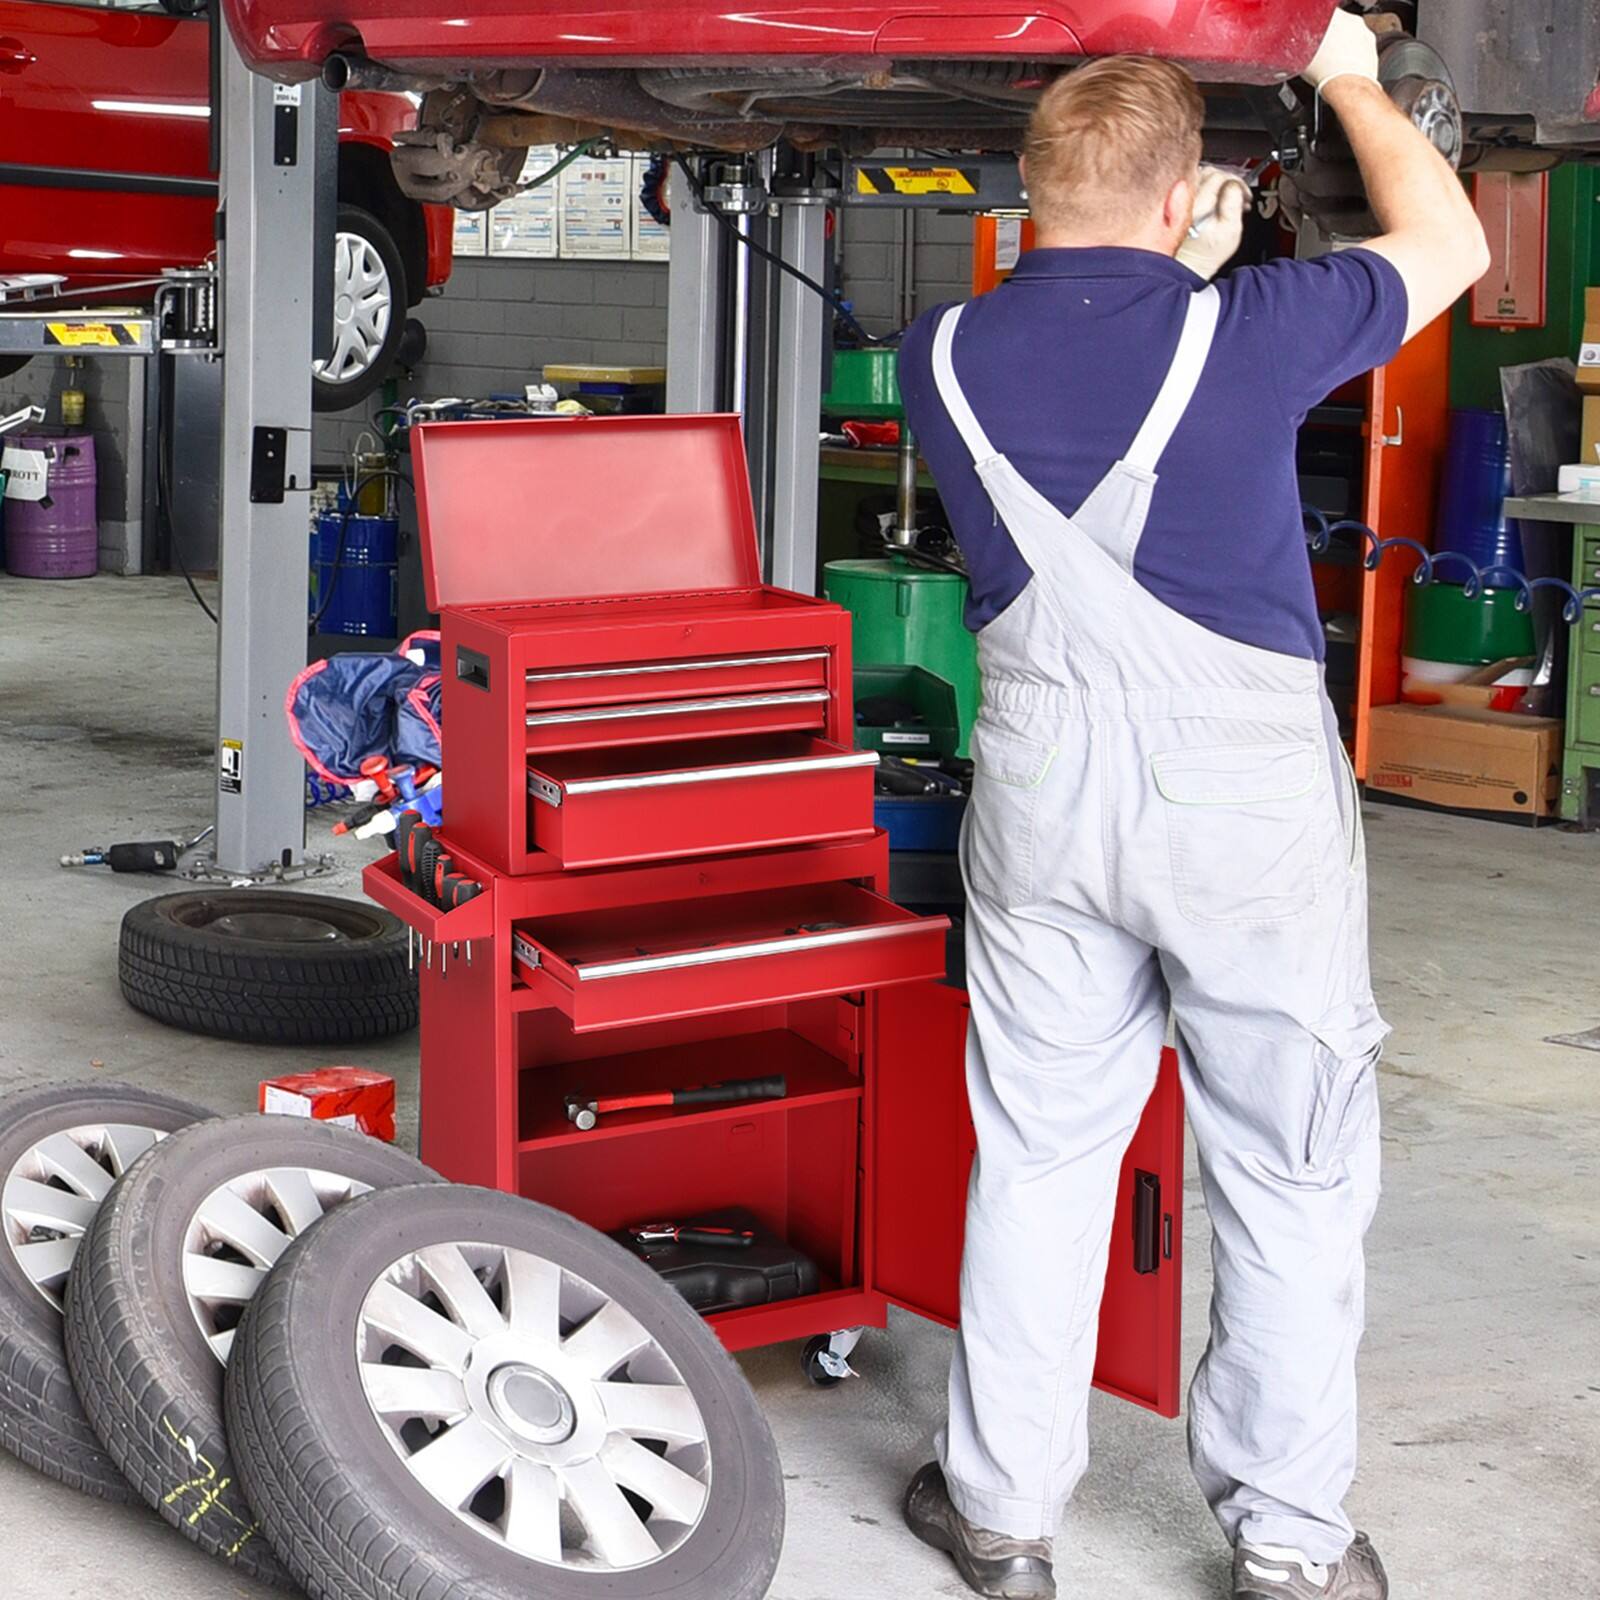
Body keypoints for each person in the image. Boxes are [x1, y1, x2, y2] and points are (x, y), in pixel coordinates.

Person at [894, 10, 1489, 1600]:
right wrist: (1349, 72)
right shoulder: (1254, 330)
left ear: (1027, 199)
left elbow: (1090, 364)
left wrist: (1190, 273)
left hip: (1037, 784)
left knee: (1037, 1152)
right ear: (1184, 200)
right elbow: (1450, 236)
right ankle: (1288, 1549)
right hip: (1236, 809)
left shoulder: (936, 353)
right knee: (1287, 1167)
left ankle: (1003, 1513)